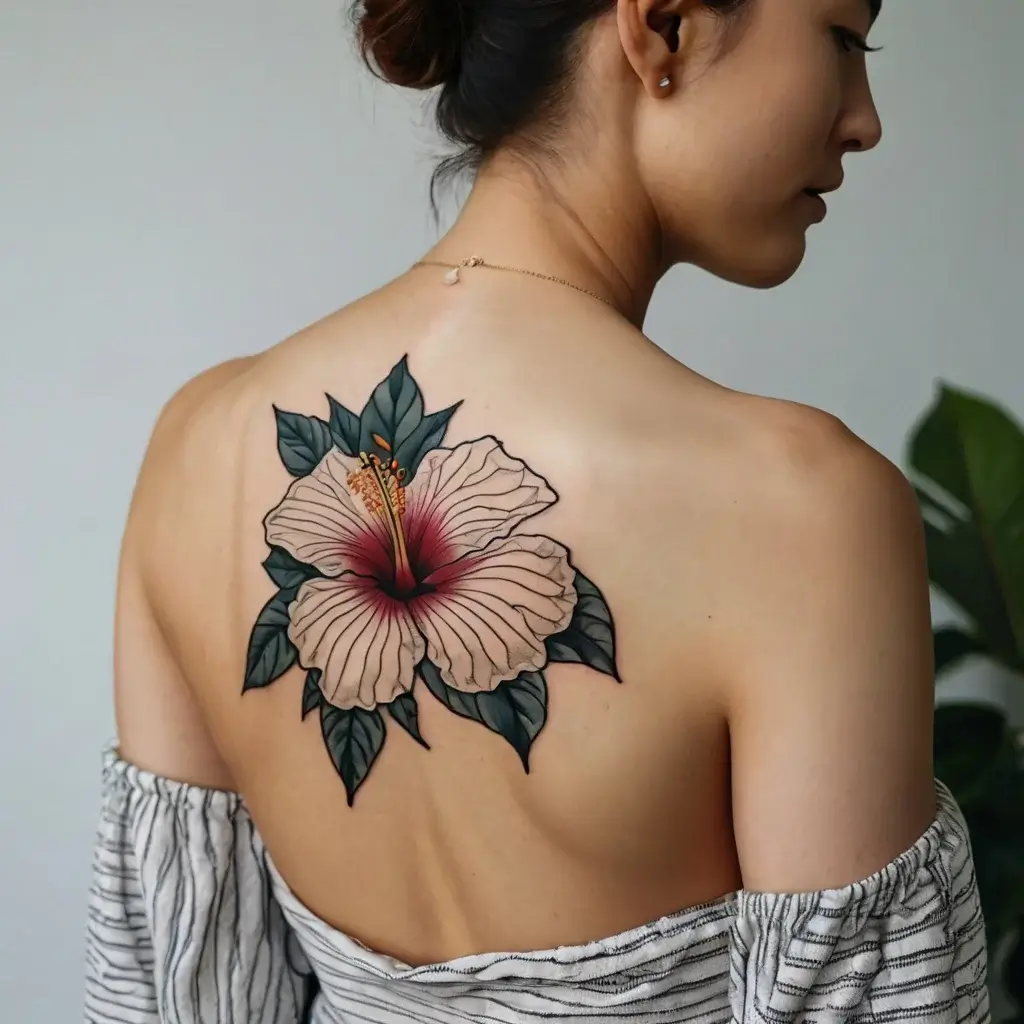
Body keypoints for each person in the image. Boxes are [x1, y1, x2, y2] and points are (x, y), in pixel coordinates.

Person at [84, 0, 990, 1021]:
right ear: (664, 27)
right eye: (841, 37)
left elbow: (177, 992)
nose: (864, 118)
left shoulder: (196, 443)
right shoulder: (804, 504)